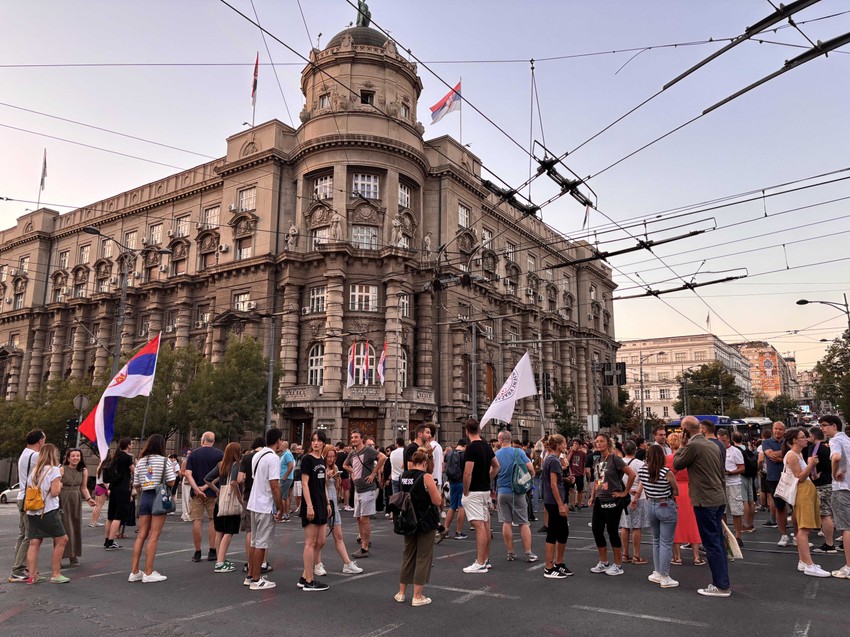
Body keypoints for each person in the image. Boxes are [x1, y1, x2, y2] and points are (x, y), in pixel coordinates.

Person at [673, 416, 731, 597]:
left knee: (711, 542)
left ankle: (721, 585)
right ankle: (722, 581)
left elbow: (676, 463)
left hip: (704, 499)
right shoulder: (713, 445)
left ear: (685, 430)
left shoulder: (693, 446)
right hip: (718, 496)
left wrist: (682, 445)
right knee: (717, 543)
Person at [395, 447, 442, 606]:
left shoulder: (403, 476)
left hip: (408, 519)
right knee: (423, 557)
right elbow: (437, 501)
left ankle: (401, 593)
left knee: (408, 555)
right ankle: (417, 595)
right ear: (424, 463)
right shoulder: (426, 477)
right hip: (425, 520)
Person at [782, 428, 830, 577]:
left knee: (804, 528)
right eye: (803, 437)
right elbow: (800, 477)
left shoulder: (797, 454)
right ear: (795, 440)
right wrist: (811, 464)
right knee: (804, 528)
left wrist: (810, 466)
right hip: (803, 492)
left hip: (806, 490)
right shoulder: (792, 455)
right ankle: (809, 564)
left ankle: (803, 561)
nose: (806, 439)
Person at [128, 434, 176, 583]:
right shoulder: (164, 461)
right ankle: (148, 572)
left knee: (141, 535)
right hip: (158, 497)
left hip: (145, 497)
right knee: (154, 535)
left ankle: (134, 571)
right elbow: (171, 481)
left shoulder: (141, 461)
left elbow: (136, 483)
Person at [588, 433, 637, 576]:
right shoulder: (597, 459)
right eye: (596, 441)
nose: (599, 444)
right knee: (597, 530)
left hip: (612, 501)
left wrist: (624, 493)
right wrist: (592, 496)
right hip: (599, 499)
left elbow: (632, 475)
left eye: (602, 441)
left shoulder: (615, 459)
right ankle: (603, 562)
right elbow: (598, 480)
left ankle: (618, 565)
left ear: (608, 443)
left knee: (612, 531)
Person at [245, 428, 285, 590]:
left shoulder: (257, 455)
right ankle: (256, 579)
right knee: (261, 543)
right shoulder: (273, 458)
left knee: (255, 542)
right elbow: (274, 485)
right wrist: (280, 507)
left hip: (254, 503)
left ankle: (251, 575)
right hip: (264, 504)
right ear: (278, 441)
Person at [314, 445, 363, 576]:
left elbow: (336, 487)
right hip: (323, 502)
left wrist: (336, 478)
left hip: (333, 502)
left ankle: (347, 563)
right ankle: (317, 564)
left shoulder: (334, 467)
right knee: (320, 539)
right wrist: (326, 477)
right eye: (328, 456)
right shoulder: (320, 467)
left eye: (333, 457)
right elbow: (318, 485)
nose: (331, 459)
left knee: (339, 536)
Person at [635, 444, 679, 588]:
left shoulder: (642, 470)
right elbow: (676, 489)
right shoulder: (666, 472)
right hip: (665, 504)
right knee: (666, 542)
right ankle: (665, 576)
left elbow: (643, 486)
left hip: (651, 504)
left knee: (656, 540)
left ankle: (657, 572)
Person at [25, 443, 69, 584]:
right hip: (48, 510)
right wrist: (60, 484)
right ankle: (56, 574)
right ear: (53, 455)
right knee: (62, 539)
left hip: (32, 511)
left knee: (34, 542)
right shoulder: (54, 470)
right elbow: (55, 493)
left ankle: (32, 575)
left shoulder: (34, 471)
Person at [461, 418, 499, 573]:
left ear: (466, 431)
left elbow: (467, 472)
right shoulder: (486, 446)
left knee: (479, 527)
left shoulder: (471, 448)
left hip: (474, 491)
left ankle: (480, 562)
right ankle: (486, 559)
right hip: (484, 490)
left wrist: (465, 490)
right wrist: (487, 479)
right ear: (479, 430)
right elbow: (497, 466)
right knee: (485, 525)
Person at [494, 430, 537, 562]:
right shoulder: (519, 452)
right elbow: (531, 469)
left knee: (506, 522)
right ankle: (528, 553)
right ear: (510, 440)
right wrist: (529, 481)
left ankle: (510, 553)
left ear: (500, 440)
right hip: (518, 491)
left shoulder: (496, 454)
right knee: (523, 522)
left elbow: (492, 471)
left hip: (502, 491)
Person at [343, 430, 387, 559]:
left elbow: (383, 457)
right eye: (352, 437)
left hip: (368, 489)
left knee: (364, 518)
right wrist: (352, 471)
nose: (353, 439)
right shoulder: (352, 453)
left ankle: (364, 547)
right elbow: (344, 464)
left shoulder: (368, 450)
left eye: (356, 437)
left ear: (361, 439)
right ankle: (363, 541)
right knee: (358, 518)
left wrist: (373, 473)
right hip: (357, 489)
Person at [8, 429, 45, 583]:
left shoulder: (24, 453)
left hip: (23, 497)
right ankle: (17, 570)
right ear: (40, 441)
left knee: (23, 534)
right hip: (30, 499)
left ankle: (20, 566)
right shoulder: (35, 455)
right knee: (29, 536)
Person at [184, 431, 224, 562]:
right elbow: (221, 473)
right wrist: (207, 486)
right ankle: (213, 550)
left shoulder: (194, 454)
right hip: (213, 491)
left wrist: (197, 489)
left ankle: (197, 552)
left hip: (196, 493)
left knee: (197, 520)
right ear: (213, 440)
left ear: (202, 440)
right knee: (213, 520)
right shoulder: (219, 454)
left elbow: (188, 473)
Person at [204, 442, 244, 573]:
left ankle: (219, 559)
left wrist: (218, 490)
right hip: (231, 502)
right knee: (229, 531)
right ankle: (220, 562)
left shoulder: (221, 465)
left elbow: (207, 479)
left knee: (220, 530)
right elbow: (233, 482)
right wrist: (240, 498)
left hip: (219, 502)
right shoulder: (236, 465)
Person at [818, 415, 850, 579]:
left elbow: (836, 457)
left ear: (834, 426)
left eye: (824, 425)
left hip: (841, 488)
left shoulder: (835, 441)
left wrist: (835, 472)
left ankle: (849, 567)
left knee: (846, 528)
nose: (822, 428)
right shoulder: (847, 440)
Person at [299, 430, 331, 592]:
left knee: (321, 541)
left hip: (321, 503)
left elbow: (323, 483)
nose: (316, 443)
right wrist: (309, 506)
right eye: (313, 440)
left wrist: (327, 503)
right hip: (310, 503)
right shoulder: (307, 459)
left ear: (323, 443)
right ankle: (309, 580)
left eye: (318, 440)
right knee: (310, 542)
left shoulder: (322, 460)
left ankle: (305, 574)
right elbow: (305, 484)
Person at [666, 432, 702, 566]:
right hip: (690, 489)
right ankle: (696, 556)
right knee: (693, 522)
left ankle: (677, 556)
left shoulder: (669, 458)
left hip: (676, 491)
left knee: (676, 523)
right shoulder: (690, 458)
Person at [237, 437, 268, 575]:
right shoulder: (267, 457)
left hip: (248, 497)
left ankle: (250, 563)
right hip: (263, 498)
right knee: (263, 534)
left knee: (250, 532)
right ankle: (262, 562)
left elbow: (239, 478)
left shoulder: (247, 457)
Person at [541, 434, 570, 579]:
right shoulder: (553, 460)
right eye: (564, 443)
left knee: (563, 531)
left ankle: (559, 563)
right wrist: (560, 504)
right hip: (553, 501)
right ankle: (549, 567)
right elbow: (553, 484)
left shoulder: (552, 459)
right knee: (553, 532)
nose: (566, 445)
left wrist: (565, 479)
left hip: (553, 500)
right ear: (557, 445)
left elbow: (554, 481)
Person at [59, 448, 94, 567]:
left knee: (75, 527)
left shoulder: (83, 470)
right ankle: (58, 557)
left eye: (78, 456)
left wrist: (89, 499)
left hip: (76, 499)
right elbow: (56, 485)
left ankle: (73, 556)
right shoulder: (62, 469)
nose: (75, 458)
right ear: (68, 458)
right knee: (64, 528)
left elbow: (83, 487)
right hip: (63, 499)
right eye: (73, 456)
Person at [759, 422, 791, 546]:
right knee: (780, 507)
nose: (777, 431)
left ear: (784, 431)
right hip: (774, 478)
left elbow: (791, 453)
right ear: (772, 430)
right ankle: (783, 535)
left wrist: (779, 456)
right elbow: (769, 454)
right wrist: (785, 453)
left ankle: (798, 534)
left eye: (780, 429)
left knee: (795, 507)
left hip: (790, 478)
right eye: (776, 429)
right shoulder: (766, 442)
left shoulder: (788, 441)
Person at [807, 426, 837, 554]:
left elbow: (812, 463)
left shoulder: (814, 448)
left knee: (825, 514)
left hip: (821, 483)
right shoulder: (829, 446)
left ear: (813, 437)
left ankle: (829, 543)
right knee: (832, 512)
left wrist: (814, 475)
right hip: (832, 481)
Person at [619, 440, 648, 565]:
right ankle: (636, 555)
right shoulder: (640, 463)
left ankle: (625, 553)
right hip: (638, 496)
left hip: (623, 496)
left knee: (625, 526)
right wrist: (636, 494)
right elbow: (643, 480)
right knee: (636, 526)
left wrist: (626, 489)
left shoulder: (618, 462)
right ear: (635, 450)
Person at [105, 437, 134, 551]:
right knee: (118, 515)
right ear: (128, 445)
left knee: (110, 515)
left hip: (114, 487)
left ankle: (107, 539)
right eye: (131, 444)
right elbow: (134, 471)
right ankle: (111, 541)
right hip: (123, 488)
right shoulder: (127, 457)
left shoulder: (115, 457)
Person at [717, 429, 745, 547]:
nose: (722, 443)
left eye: (724, 440)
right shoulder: (716, 451)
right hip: (721, 483)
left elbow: (742, 467)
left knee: (736, 510)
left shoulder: (735, 451)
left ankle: (738, 536)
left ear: (728, 439)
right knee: (722, 511)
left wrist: (732, 472)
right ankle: (725, 534)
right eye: (720, 440)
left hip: (733, 483)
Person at [732, 431, 757, 533]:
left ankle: (745, 524)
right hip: (750, 475)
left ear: (733, 439)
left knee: (744, 500)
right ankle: (750, 523)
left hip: (741, 476)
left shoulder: (735, 450)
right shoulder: (747, 448)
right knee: (751, 499)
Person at [443, 438, 468, 540]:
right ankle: (458, 531)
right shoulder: (463, 455)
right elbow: (467, 470)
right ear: (465, 446)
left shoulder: (449, 454)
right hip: (461, 481)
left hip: (452, 481)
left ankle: (445, 530)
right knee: (461, 506)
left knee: (452, 506)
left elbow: (445, 467)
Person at [566, 439, 587, 511]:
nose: (575, 445)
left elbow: (584, 463)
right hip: (572, 473)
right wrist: (571, 451)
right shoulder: (570, 452)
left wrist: (584, 472)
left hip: (580, 474)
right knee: (571, 489)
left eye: (576, 443)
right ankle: (572, 504)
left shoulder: (583, 453)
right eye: (574, 443)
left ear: (580, 445)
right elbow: (567, 461)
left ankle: (579, 504)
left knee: (580, 490)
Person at [89, 453, 109, 528]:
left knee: (97, 505)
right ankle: (94, 522)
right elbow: (104, 480)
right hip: (102, 487)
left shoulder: (99, 466)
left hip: (98, 486)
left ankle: (93, 521)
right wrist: (108, 489)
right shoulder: (105, 467)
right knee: (99, 506)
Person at [278, 441, 295, 522]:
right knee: (285, 496)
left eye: (280, 445)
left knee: (283, 497)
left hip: (286, 478)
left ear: (283, 446)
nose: (279, 446)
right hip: (285, 477)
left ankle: (284, 514)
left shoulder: (287, 454)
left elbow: (291, 466)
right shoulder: (284, 454)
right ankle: (285, 514)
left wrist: (285, 476)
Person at [179, 450, 192, 522]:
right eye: (188, 454)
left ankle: (190, 513)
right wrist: (188, 474)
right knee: (186, 497)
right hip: (187, 481)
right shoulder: (185, 462)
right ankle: (186, 513)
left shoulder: (194, 462)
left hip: (192, 481)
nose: (189, 455)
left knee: (191, 498)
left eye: (190, 453)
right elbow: (181, 472)